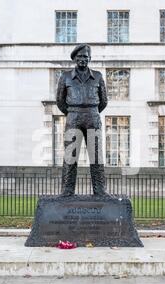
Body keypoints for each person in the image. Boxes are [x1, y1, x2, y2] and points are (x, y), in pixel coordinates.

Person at [56, 44, 109, 196]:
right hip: (73, 116)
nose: (82, 59)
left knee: (96, 156)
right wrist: (73, 112)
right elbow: (60, 101)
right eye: (79, 57)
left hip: (93, 116)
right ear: (74, 59)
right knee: (70, 156)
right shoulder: (65, 77)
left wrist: (91, 111)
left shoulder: (98, 76)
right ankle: (67, 190)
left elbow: (104, 100)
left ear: (90, 58)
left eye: (85, 56)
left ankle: (100, 190)